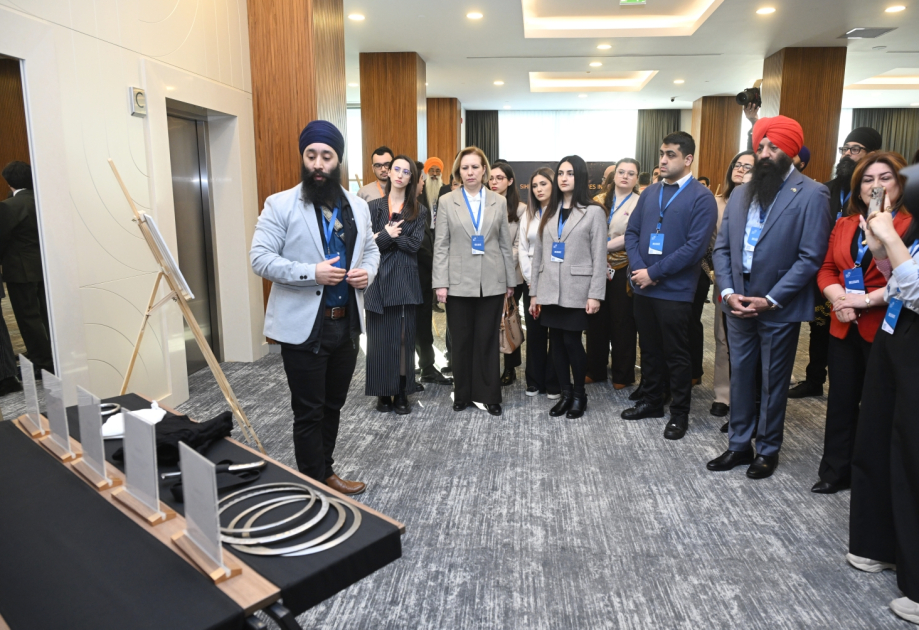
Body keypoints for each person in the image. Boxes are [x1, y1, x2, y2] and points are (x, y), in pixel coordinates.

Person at [250, 120, 379, 495]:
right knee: (309, 410)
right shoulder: (280, 204)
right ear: (303, 158)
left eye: (326, 156)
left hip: (347, 324)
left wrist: (368, 273)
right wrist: (311, 273)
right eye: (311, 156)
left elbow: (371, 249)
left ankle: (326, 472)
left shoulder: (357, 205)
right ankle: (312, 483)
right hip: (305, 326)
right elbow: (260, 259)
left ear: (338, 160)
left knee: (334, 405)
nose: (318, 164)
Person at [708, 115, 832, 480]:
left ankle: (767, 449)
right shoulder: (742, 192)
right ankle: (738, 445)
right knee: (741, 376)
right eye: (760, 145)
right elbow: (723, 249)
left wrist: (772, 299)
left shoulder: (812, 193)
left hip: (779, 305)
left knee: (773, 381)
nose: (763, 153)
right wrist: (728, 292)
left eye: (772, 147)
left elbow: (810, 257)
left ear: (790, 151)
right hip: (737, 300)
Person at [812, 152, 912, 494]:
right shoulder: (845, 224)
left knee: (879, 406)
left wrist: (864, 300)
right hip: (844, 323)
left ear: (901, 182)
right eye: (868, 180)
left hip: (886, 326)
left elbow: (907, 280)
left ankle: (874, 476)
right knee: (840, 400)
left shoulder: (909, 224)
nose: (875, 186)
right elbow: (827, 269)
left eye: (885, 178)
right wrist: (840, 299)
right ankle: (835, 470)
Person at [847, 194, 919, 625]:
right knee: (879, 437)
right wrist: (880, 250)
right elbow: (901, 284)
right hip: (897, 333)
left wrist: (890, 237)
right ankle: (883, 545)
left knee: (912, 452)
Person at [623, 132, 717, 441]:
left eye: (671, 155)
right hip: (643, 286)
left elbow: (695, 248)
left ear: (688, 159)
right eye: (662, 153)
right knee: (649, 349)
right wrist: (639, 268)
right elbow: (632, 233)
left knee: (676, 354)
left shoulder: (702, 197)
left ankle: (679, 413)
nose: (663, 160)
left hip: (675, 291)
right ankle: (652, 401)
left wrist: (654, 273)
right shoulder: (650, 192)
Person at [790, 126, 882, 399]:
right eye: (844, 149)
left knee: (863, 336)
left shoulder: (874, 196)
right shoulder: (826, 190)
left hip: (871, 277)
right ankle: (814, 379)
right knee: (820, 329)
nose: (846, 154)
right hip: (826, 274)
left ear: (872, 154)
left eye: (855, 149)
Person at [432, 147, 516, 416]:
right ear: (459, 171)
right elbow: (441, 245)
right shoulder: (447, 201)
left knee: (487, 339)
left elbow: (505, 244)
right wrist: (440, 283)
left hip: (492, 280)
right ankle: (463, 393)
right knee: (461, 340)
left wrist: (510, 281)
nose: (470, 172)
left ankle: (490, 395)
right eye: (465, 167)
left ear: (484, 171)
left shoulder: (498, 201)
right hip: (457, 282)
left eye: (475, 167)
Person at [529, 155, 606, 418]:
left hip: (578, 289)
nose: (563, 178)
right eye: (560, 173)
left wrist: (595, 295)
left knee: (572, 342)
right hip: (550, 287)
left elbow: (599, 257)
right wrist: (534, 293)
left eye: (570, 173)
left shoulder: (593, 212)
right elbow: (538, 255)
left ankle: (579, 396)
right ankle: (565, 394)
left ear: (580, 177)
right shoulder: (549, 211)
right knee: (556, 343)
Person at [364, 157, 426, 414]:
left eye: (406, 172)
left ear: (412, 178)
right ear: (389, 173)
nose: (400, 175)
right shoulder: (372, 207)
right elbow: (365, 246)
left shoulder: (419, 210)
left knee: (403, 339)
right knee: (379, 340)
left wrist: (386, 236)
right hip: (378, 280)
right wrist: (387, 235)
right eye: (396, 169)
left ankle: (401, 391)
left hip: (404, 281)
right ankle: (382, 392)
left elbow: (414, 245)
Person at [585, 158, 641, 388]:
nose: (625, 176)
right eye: (621, 172)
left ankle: (622, 375)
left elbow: (634, 235)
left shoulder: (640, 202)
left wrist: (603, 246)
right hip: (595, 267)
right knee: (596, 320)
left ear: (636, 178)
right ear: (614, 175)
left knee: (622, 322)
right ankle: (595, 370)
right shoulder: (597, 201)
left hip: (623, 267)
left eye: (631, 173)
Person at [709, 150, 755, 424]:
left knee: (750, 342)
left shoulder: (763, 204)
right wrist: (714, 273)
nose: (740, 170)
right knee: (723, 337)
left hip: (755, 283)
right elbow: (708, 244)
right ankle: (722, 395)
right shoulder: (717, 203)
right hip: (724, 282)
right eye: (738, 165)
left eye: (748, 167)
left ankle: (745, 396)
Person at [0, 161, 54, 376]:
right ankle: (52, 355)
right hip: (44, 266)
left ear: (9, 182)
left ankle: (42, 361)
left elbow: (2, 239)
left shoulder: (9, 206)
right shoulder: (43, 200)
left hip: (20, 270)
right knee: (46, 314)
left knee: (28, 318)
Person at [518, 168, 561, 400]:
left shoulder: (563, 212)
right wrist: (530, 280)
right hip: (532, 281)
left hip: (556, 279)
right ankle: (534, 380)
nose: (538, 189)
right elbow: (523, 250)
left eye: (543, 184)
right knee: (535, 331)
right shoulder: (528, 213)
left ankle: (553, 381)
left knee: (556, 331)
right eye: (534, 185)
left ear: (554, 185)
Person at [489, 162, 526, 386]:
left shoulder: (521, 210)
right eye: (491, 178)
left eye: (499, 178)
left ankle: (510, 367)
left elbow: (518, 246)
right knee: (489, 322)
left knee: (509, 318)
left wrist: (500, 268)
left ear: (510, 181)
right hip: (485, 274)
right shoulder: (484, 205)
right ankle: (489, 365)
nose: (494, 182)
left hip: (511, 275)